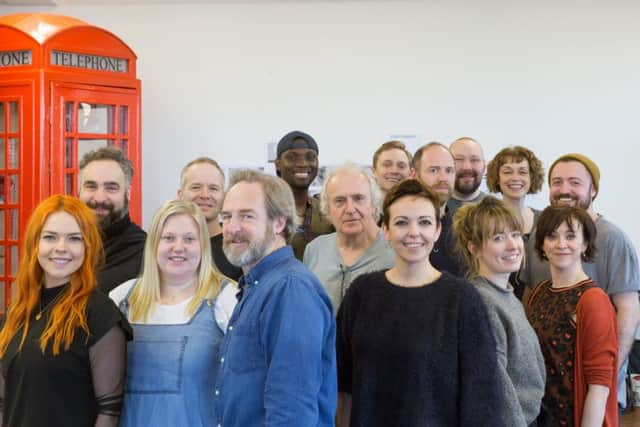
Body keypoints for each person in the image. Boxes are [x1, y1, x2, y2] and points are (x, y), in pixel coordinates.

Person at [336, 179, 506, 427]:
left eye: (424, 222)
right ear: (386, 229)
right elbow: (343, 383)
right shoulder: (362, 293)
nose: (413, 232)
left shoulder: (462, 299)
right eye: (402, 222)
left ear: (437, 230)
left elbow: (482, 397)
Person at [215, 169, 336, 427]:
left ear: (279, 223)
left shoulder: (290, 289)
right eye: (226, 217)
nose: (232, 228)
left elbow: (292, 407)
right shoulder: (257, 285)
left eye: (247, 216)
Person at [0, 195, 132, 427]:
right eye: (50, 237)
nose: (61, 248)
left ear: (87, 246)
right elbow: (5, 401)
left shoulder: (99, 313)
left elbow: (109, 411)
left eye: (74, 239)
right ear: (35, 244)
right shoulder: (17, 313)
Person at [524, 153, 640, 411]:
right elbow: (530, 298)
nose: (564, 189)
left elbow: (629, 311)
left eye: (574, 182)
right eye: (557, 182)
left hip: (594, 389)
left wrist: (603, 378)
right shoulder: (538, 237)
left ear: (594, 190)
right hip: (547, 392)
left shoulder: (614, 239)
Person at [110, 200, 237, 426]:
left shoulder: (227, 299)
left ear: (203, 246)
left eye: (189, 239)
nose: (178, 247)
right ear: (154, 245)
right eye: (168, 238)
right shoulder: (121, 299)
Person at [453, 196, 546, 426]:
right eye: (498, 238)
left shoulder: (506, 295)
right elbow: (498, 388)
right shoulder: (482, 302)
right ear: (473, 247)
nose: (513, 245)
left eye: (515, 234)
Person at [527, 205, 618, 427]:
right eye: (552, 236)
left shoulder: (593, 300)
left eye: (570, 236)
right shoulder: (539, 292)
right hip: (540, 418)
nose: (561, 244)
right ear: (542, 244)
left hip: (575, 419)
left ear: (585, 244)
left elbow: (599, 385)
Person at [304, 163, 394, 311]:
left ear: (373, 204)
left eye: (359, 198)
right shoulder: (315, 250)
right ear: (327, 208)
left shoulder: (395, 251)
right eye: (339, 201)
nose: (350, 209)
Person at [79, 147, 146, 293]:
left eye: (111, 188)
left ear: (128, 194)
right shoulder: (65, 244)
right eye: (91, 186)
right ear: (79, 191)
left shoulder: (145, 253)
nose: (99, 198)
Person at [486, 146, 545, 298]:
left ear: (532, 178)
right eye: (507, 172)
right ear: (497, 178)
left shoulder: (544, 220)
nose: (515, 178)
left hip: (538, 303)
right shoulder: (486, 220)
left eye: (522, 172)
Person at [177, 156, 243, 280]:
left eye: (213, 188)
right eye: (196, 187)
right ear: (180, 195)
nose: (205, 195)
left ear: (224, 196)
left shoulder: (238, 247)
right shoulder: (166, 247)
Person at [275, 130, 333, 260]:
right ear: (278, 164)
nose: (302, 163)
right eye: (291, 157)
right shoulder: (268, 210)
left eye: (310, 157)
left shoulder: (327, 211)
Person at [413, 142, 463, 276]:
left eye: (449, 170)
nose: (443, 178)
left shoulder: (464, 227)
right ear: (414, 175)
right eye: (433, 170)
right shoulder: (401, 227)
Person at [448, 136, 487, 213]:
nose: (466, 167)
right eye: (458, 159)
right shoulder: (431, 207)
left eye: (474, 160)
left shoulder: (496, 210)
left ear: (484, 166)